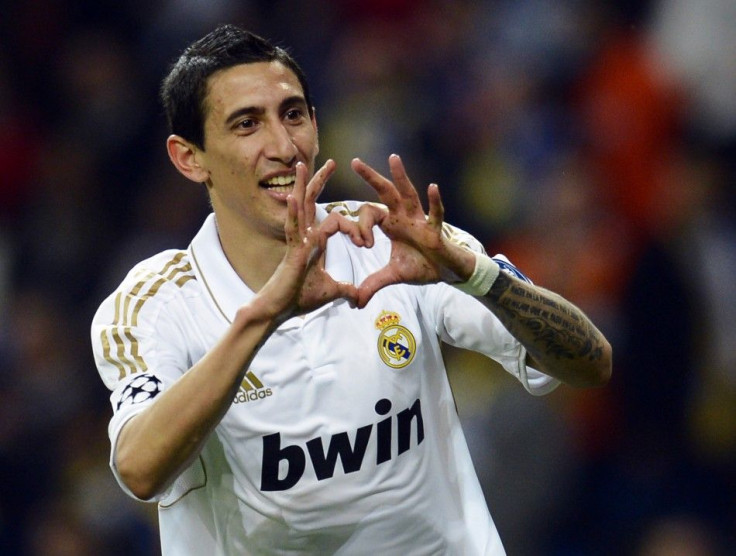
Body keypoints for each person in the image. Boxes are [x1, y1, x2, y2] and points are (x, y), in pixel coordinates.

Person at [91, 24, 612, 555]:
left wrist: (472, 272)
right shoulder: (155, 304)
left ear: (316, 126)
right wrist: (265, 313)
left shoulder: (394, 241)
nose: (283, 146)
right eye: (246, 124)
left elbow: (590, 363)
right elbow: (139, 469)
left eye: (293, 115)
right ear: (189, 157)